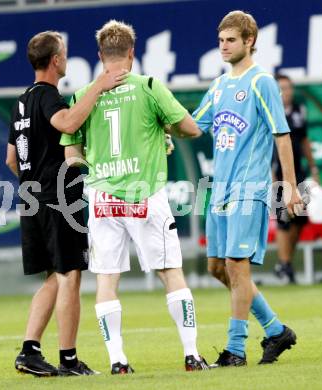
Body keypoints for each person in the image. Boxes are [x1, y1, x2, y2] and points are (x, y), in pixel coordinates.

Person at [60, 20, 209, 374]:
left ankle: (117, 362)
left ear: (99, 56)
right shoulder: (149, 87)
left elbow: (72, 157)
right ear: (132, 53)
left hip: (101, 198)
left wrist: (100, 168)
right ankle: (191, 355)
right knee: (171, 272)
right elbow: (191, 128)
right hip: (145, 195)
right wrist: (164, 130)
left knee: (107, 280)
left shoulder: (82, 96)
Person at [6, 30, 127, 377]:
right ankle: (69, 360)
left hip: (31, 198)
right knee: (70, 273)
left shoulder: (21, 100)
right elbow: (68, 122)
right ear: (57, 60)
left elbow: (11, 158)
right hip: (58, 199)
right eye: (65, 53)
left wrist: (33, 185)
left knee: (54, 277)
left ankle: (29, 350)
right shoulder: (48, 97)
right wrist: (98, 87)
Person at [193, 11, 302, 366]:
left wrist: (289, 187)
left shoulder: (262, 82)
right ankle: (275, 330)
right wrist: (157, 118)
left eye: (231, 40)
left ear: (249, 41)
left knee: (237, 267)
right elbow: (193, 126)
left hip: (248, 188)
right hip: (219, 190)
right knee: (217, 268)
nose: (223, 46)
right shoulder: (220, 85)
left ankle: (235, 350)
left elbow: (281, 136)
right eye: (220, 40)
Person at [273, 74, 320, 283]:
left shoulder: (300, 111)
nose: (286, 92)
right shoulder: (270, 112)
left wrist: (313, 166)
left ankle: (286, 263)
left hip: (298, 173)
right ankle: (284, 266)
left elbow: (304, 140)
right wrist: (271, 177)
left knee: (299, 219)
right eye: (281, 88)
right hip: (277, 173)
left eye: (288, 87)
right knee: (283, 219)